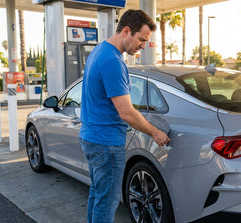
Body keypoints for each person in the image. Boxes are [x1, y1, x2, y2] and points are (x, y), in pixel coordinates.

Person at [79, 9, 170, 223]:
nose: (143, 45)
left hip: (92, 138)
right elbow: (126, 112)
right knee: (108, 201)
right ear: (127, 31)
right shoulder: (113, 61)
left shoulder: (100, 50)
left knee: (98, 195)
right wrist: (155, 132)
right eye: (141, 39)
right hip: (106, 143)